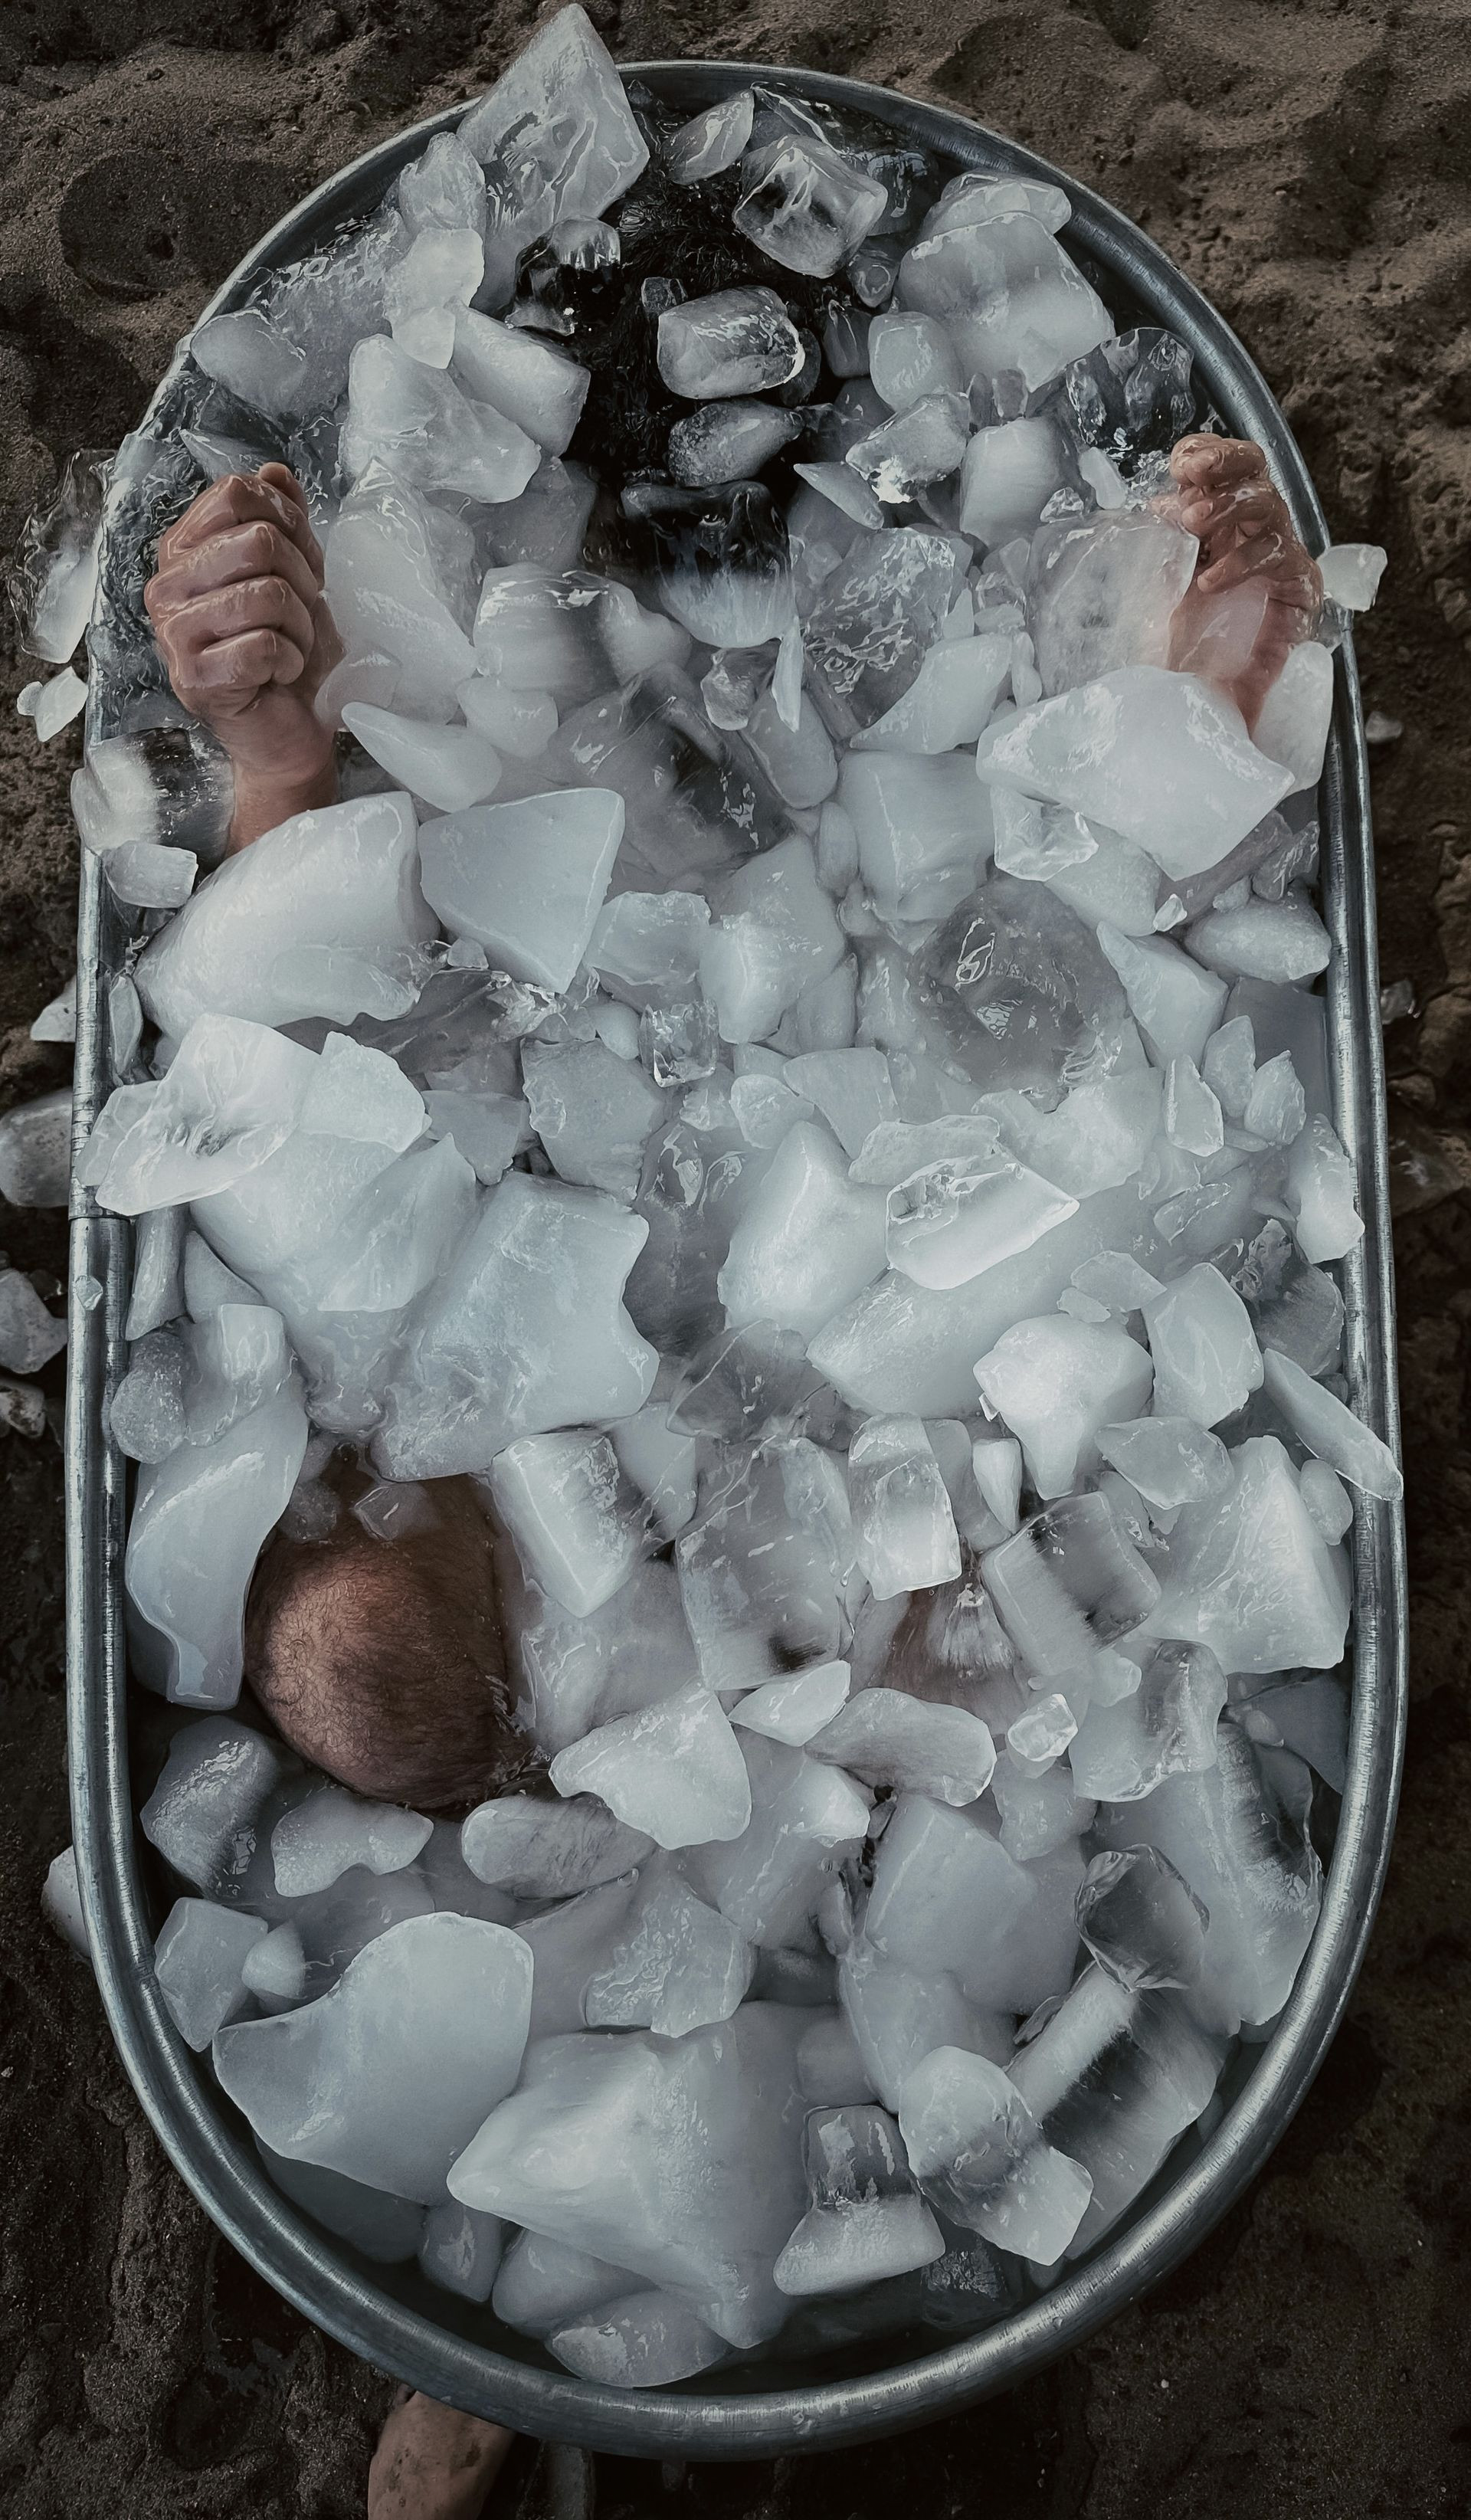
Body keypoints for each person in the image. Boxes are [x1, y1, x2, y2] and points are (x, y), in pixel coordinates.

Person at [141, 429, 1321, 2518]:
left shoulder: (447, 1316)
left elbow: (298, 1108)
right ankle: (513, 2336)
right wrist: (1179, 802)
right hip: (736, 1742)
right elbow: (1129, 1212)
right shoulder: (787, 1634)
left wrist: (270, 760)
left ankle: (499, 2347)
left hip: (699, 960)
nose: (323, 1486)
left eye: (322, 1486)